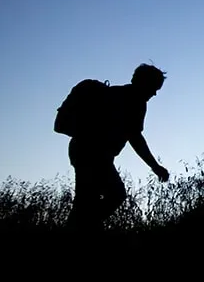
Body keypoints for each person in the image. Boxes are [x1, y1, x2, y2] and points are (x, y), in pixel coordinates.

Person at [65, 63, 169, 231]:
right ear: (144, 82)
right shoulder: (134, 101)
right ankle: (83, 228)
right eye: (154, 87)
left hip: (84, 150)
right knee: (113, 195)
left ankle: (83, 227)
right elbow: (135, 137)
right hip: (94, 154)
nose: (155, 93)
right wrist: (155, 166)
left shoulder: (116, 93)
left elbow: (133, 136)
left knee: (86, 200)